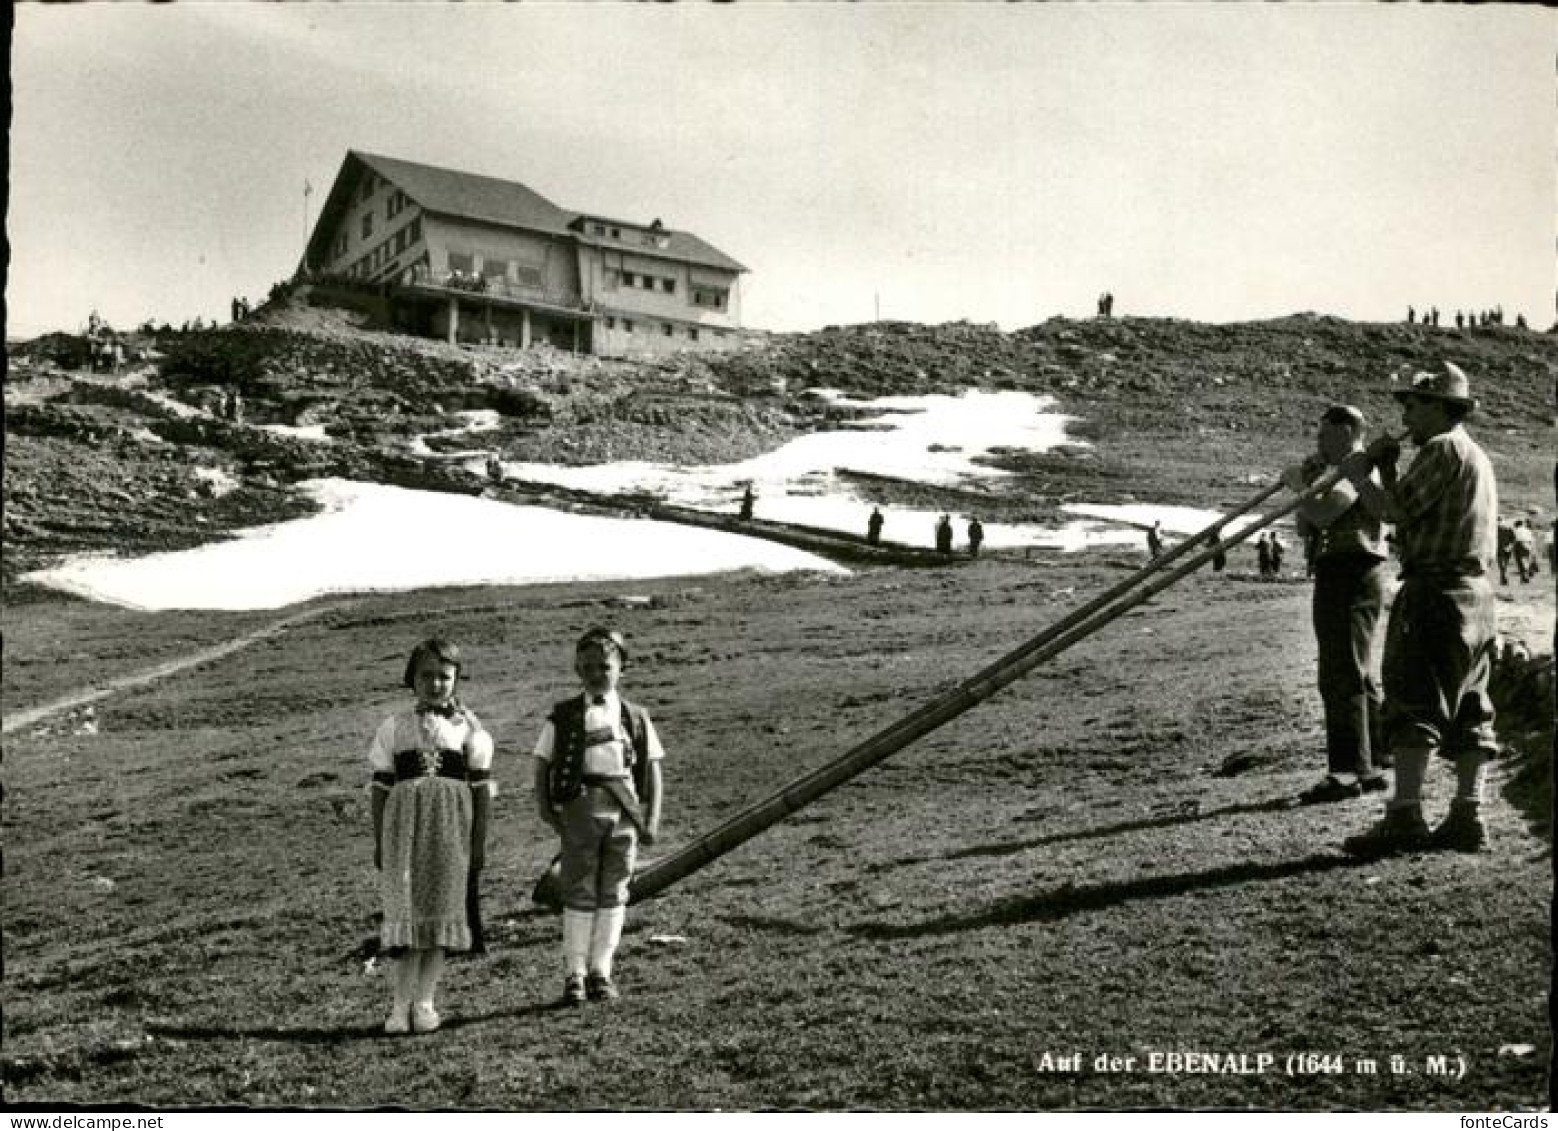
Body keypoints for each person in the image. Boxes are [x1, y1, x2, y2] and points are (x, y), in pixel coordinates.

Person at [1336, 361, 1500, 856]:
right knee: (1471, 707)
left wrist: (1357, 475)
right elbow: (1412, 507)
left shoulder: (1440, 448)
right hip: (1476, 594)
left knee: (1414, 700)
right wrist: (1386, 468)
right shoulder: (1473, 454)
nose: (1406, 412)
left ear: (1440, 407)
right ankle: (1467, 814)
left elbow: (1394, 512)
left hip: (1435, 592)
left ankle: (1405, 814)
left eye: (1414, 403)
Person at [532, 627, 665, 1005]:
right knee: (578, 889)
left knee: (615, 889)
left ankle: (601, 971)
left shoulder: (636, 717)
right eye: (588, 667)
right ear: (577, 668)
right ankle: (574, 972)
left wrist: (651, 819)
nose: (596, 674)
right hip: (580, 808)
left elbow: (653, 768)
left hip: (624, 812)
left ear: (622, 668)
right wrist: (546, 808)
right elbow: (541, 763)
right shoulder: (563, 716)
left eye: (604, 666)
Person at [369, 637, 495, 1034]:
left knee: (439, 917)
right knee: (407, 918)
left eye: (445, 676)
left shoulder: (468, 727)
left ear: (457, 679)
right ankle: (398, 1006)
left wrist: (477, 843)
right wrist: (379, 841)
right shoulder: (393, 727)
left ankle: (425, 1003)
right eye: (426, 675)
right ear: (412, 679)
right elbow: (380, 788)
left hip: (449, 834)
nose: (436, 683)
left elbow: (481, 790)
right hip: (404, 834)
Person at [1282, 405, 1390, 804]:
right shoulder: (1336, 471)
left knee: (1340, 673)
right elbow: (1305, 524)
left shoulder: (1355, 468)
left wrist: (1300, 490)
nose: (1317, 442)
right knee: (1354, 670)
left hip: (1350, 571)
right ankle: (1373, 762)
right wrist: (1309, 482)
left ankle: (1347, 772)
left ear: (1346, 432)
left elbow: (1325, 513)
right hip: (1341, 570)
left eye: (1323, 434)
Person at [1495, 518, 1515, 584]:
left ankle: (1503, 576)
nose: (1498, 523)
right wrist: (1510, 546)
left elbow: (1513, 539)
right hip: (1503, 548)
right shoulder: (1508, 529)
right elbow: (1513, 539)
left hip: (1502, 548)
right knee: (1503, 564)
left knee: (1502, 564)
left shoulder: (1496, 530)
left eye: (1499, 521)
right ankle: (1503, 577)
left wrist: (1510, 546)